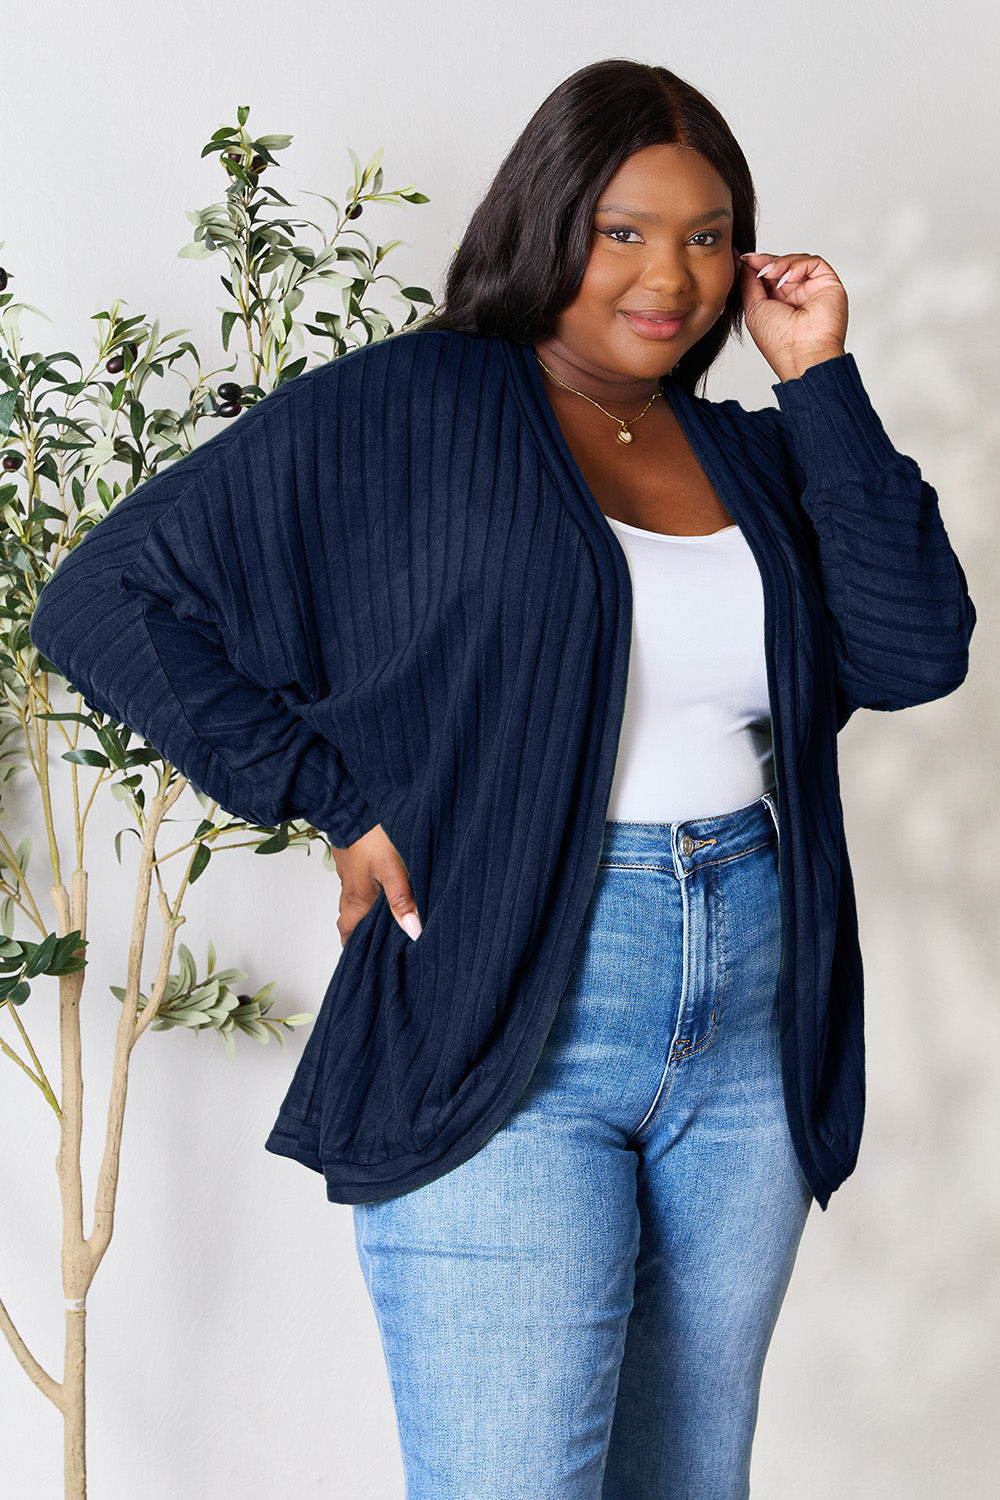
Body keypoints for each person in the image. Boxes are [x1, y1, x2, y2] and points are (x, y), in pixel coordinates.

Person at [29, 57, 975, 1500]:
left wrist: (822, 378)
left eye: (709, 235)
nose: (670, 277)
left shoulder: (748, 452)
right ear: (548, 223)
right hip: (509, 993)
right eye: (625, 231)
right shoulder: (411, 406)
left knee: (690, 1482)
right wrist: (328, 795)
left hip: (748, 1007)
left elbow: (914, 651)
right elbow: (105, 600)